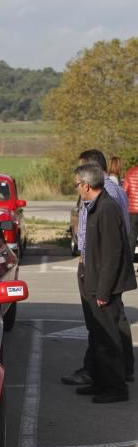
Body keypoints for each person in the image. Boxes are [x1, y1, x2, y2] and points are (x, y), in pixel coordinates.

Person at [62, 149, 134, 386]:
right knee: (111, 322)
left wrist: (87, 261)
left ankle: (106, 375)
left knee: (103, 324)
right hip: (98, 263)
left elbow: (110, 244)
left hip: (99, 265)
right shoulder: (107, 192)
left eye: (78, 183)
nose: (77, 188)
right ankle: (108, 371)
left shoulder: (105, 196)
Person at [122, 160, 138, 273]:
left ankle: (129, 267)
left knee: (131, 238)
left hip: (132, 210)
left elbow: (124, 191)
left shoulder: (130, 172)